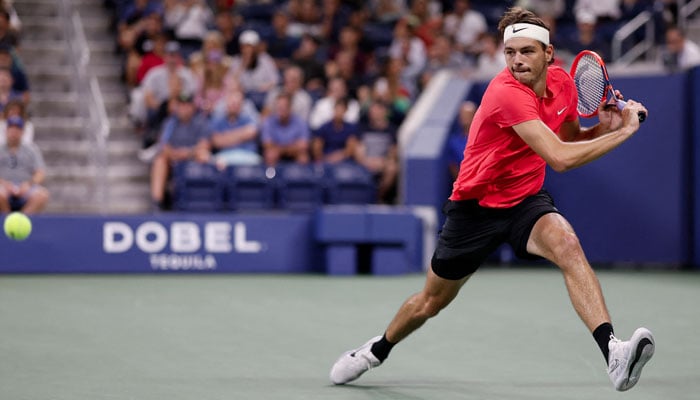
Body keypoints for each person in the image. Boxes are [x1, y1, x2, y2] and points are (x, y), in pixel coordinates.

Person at [330, 7, 655, 392]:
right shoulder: (505, 93)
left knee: (568, 244)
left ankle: (614, 354)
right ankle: (376, 350)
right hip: (475, 209)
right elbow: (561, 159)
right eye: (510, 52)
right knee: (430, 303)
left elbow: (569, 141)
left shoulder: (565, 85)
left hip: (525, 199)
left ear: (548, 54)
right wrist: (624, 133)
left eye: (527, 52)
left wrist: (603, 126)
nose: (517, 61)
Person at [149, 91, 211, 210]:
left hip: (193, 159)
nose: (183, 109)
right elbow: (164, 146)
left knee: (203, 156)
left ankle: (202, 202)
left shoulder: (200, 121)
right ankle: (156, 203)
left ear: (192, 106)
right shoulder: (170, 122)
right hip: (174, 160)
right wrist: (177, 154)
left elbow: (205, 145)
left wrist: (187, 153)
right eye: (181, 105)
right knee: (160, 160)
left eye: (186, 105)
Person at [0, 116, 49, 214]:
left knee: (42, 195)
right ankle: (6, 221)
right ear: (6, 130)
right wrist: (4, 184)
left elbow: (40, 173)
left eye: (17, 129)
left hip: (25, 187)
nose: (14, 132)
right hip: (3, 186)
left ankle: (22, 220)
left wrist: (28, 184)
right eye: (11, 128)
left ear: (22, 132)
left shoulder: (31, 150)